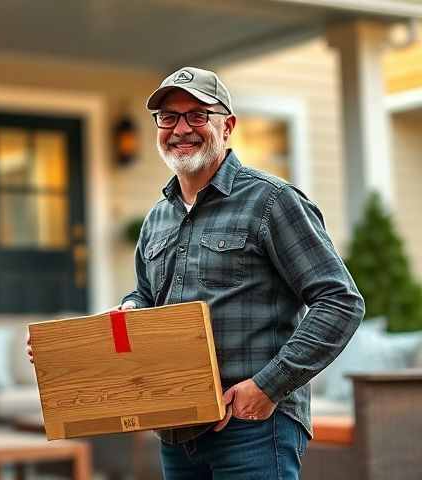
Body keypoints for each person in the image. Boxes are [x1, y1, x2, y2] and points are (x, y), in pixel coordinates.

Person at [27, 66, 364, 479]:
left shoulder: (272, 201)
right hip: (177, 430)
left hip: (254, 428)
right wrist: (126, 313)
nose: (180, 128)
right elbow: (147, 298)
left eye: (197, 115)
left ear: (228, 126)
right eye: (168, 117)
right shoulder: (157, 218)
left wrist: (268, 387)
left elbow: (340, 301)